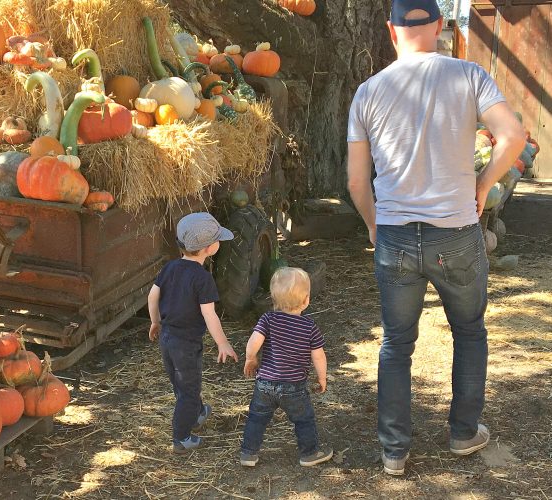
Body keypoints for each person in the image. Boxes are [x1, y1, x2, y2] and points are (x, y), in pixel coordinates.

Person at [346, 0, 526, 476]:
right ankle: (464, 432)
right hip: (457, 234)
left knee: (396, 344)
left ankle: (394, 450)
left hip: (396, 235)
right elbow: (512, 135)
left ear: (391, 30)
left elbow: (356, 183)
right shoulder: (469, 76)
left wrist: (373, 224)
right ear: (440, 26)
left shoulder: (367, 92)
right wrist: (482, 187)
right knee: (469, 334)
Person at [147, 212, 239, 454]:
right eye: (218, 239)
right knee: (188, 389)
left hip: (167, 338)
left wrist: (155, 321)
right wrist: (223, 343)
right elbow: (210, 315)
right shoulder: (203, 278)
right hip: (186, 344)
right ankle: (181, 438)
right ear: (209, 248)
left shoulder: (170, 267)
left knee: (181, 382)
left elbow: (152, 296)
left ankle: (197, 413)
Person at [240, 267, 333, 467]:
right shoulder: (309, 327)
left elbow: (254, 341)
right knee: (303, 419)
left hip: (265, 383)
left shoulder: (267, 319)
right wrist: (322, 377)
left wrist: (250, 359)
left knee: (256, 418)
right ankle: (309, 453)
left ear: (273, 299)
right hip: (293, 387)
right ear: (306, 300)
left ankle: (248, 454)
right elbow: (318, 356)